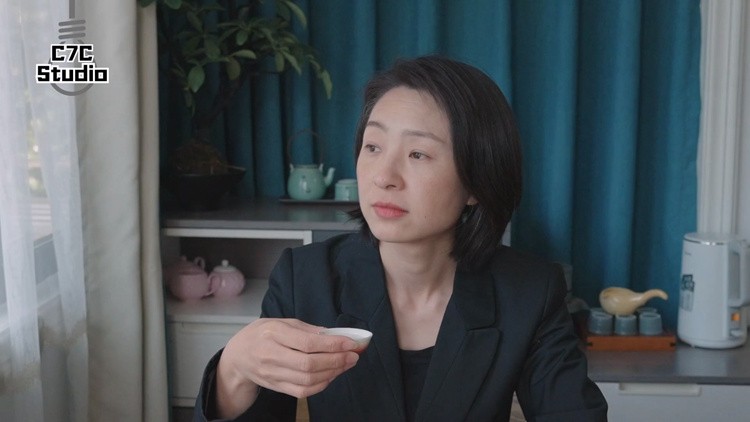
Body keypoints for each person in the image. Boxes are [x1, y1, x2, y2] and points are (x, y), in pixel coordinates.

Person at [194, 55, 608, 421]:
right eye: (373, 147)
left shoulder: (529, 291)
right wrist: (234, 368)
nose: (383, 177)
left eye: (417, 154)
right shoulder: (304, 279)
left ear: (476, 183)